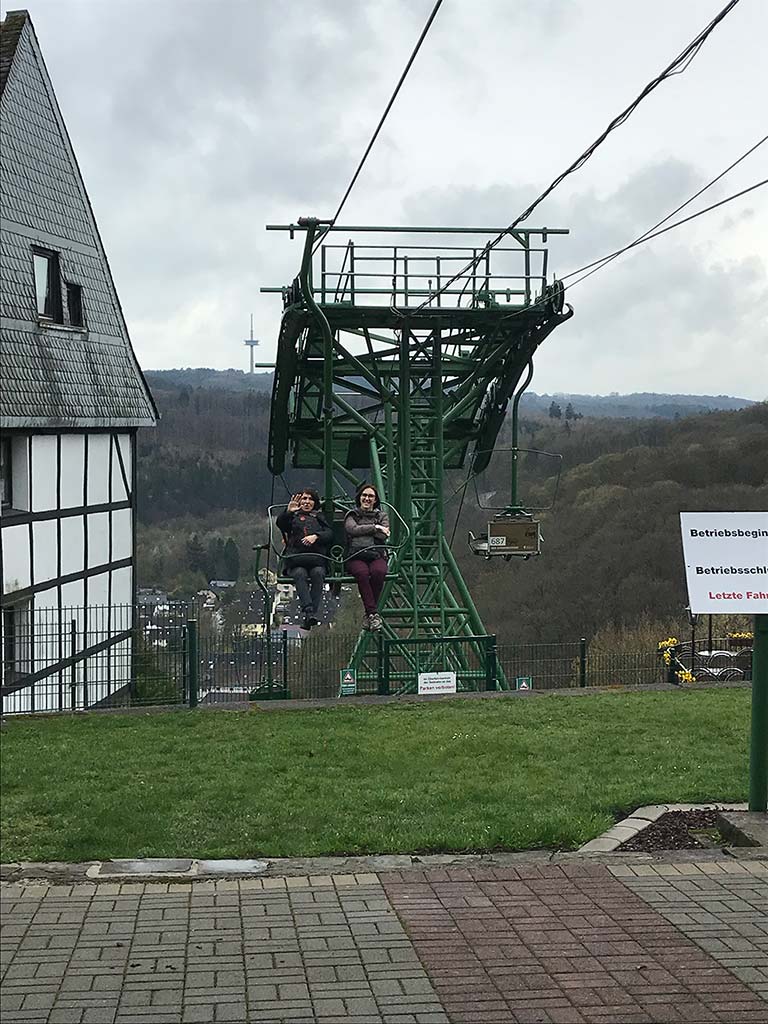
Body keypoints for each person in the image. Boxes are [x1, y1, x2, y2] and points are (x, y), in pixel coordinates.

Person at [276, 490, 333, 629]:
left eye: (310, 499)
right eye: (304, 499)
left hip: (316, 559)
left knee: (318, 573)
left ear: (315, 502)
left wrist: (316, 536)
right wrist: (288, 512)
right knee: (299, 574)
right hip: (297, 560)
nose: (307, 502)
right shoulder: (292, 518)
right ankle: (309, 611)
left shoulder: (319, 518)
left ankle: (310, 614)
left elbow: (330, 534)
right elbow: (281, 524)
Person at [344, 483, 389, 630]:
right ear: (359, 498)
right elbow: (351, 529)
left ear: (375, 500)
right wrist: (374, 527)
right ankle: (373, 613)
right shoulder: (352, 515)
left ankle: (370, 613)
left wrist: (364, 530)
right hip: (356, 556)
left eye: (370, 496)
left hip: (376, 554)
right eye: (364, 495)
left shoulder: (381, 515)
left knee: (379, 572)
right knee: (362, 573)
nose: (367, 499)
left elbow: (384, 534)